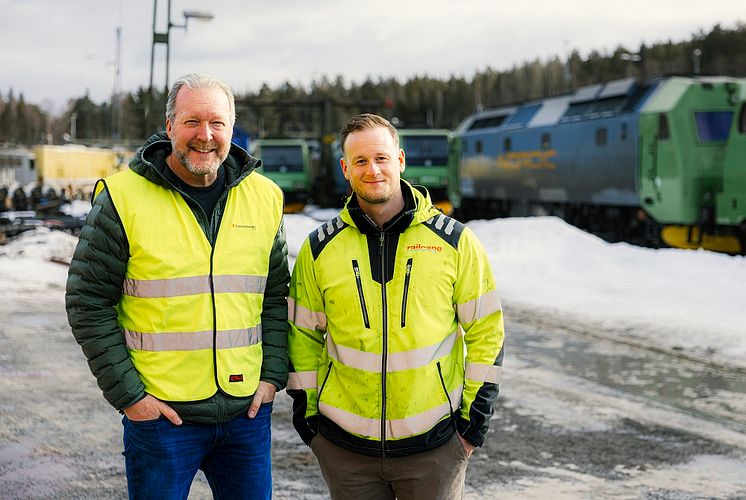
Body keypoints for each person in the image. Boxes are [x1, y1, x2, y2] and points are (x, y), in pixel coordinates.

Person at [66, 73, 289, 499]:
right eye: (191, 122)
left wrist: (272, 376)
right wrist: (131, 397)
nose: (205, 136)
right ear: (169, 127)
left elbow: (276, 297)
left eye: (217, 123)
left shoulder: (265, 197)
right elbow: (87, 300)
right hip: (162, 420)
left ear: (231, 128)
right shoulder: (122, 197)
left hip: (246, 413)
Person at [287, 113, 505, 499]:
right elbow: (302, 336)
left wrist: (471, 427)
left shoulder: (454, 243)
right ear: (345, 169)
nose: (372, 170)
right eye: (360, 161)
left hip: (434, 449)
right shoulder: (319, 249)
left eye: (381, 158)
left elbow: (486, 332)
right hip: (345, 451)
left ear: (400, 160)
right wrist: (310, 422)